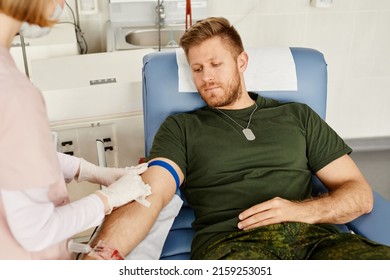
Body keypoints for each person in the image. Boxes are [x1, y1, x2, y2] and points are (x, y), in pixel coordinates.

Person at [84, 17, 390, 260]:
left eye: (216, 64)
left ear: (241, 62)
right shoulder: (182, 127)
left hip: (315, 242)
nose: (207, 78)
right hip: (233, 246)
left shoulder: (298, 116)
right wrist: (101, 257)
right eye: (198, 69)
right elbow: (150, 192)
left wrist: (301, 211)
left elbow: (359, 194)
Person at [0, 0, 150, 260]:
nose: (61, 4)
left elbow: (15, 157)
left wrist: (92, 172)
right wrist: (108, 199)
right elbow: (36, 230)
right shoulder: (14, 93)